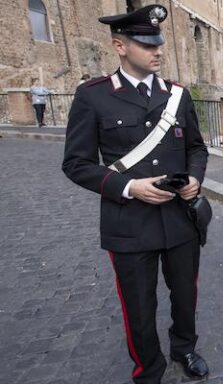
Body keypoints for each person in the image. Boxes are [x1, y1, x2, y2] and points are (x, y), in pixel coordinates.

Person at [61, 4, 209, 383]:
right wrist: (129, 187)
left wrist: (194, 177)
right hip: (128, 223)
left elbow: (196, 147)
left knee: (185, 298)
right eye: (146, 44)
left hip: (179, 219)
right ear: (120, 46)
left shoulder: (178, 95)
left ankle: (185, 348)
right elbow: (76, 164)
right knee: (139, 308)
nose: (157, 50)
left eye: (158, 42)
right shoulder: (93, 96)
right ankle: (149, 369)